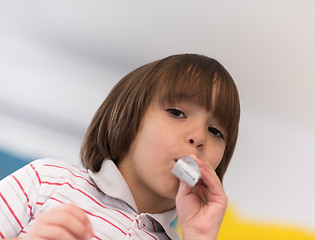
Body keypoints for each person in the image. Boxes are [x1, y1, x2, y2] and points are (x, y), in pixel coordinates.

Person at [0, 53, 240, 240]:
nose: (199, 137)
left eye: (216, 132)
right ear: (128, 119)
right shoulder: (48, 179)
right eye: (177, 113)